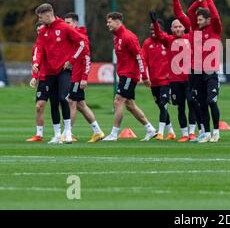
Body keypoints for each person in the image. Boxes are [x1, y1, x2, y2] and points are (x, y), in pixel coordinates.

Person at [33, 3, 86, 144]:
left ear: (48, 15)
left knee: (64, 98)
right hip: (49, 72)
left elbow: (82, 44)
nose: (40, 20)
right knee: (54, 103)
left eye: (41, 17)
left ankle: (67, 132)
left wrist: (72, 60)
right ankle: (57, 135)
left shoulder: (64, 27)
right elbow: (38, 48)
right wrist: (36, 63)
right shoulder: (43, 31)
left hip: (64, 70)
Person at [154, 0, 200, 142]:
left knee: (192, 103)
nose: (178, 28)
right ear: (171, 29)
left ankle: (193, 132)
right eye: (175, 26)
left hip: (189, 78)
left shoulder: (190, 37)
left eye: (180, 26)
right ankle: (184, 134)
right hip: (174, 80)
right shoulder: (168, 40)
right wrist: (155, 23)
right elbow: (159, 35)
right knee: (180, 107)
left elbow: (180, 14)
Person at [178, 0, 222, 143]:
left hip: (210, 71)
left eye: (201, 19)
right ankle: (207, 133)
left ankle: (216, 131)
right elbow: (190, 11)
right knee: (201, 103)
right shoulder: (196, 29)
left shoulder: (215, 29)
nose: (198, 21)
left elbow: (215, 16)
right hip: (196, 71)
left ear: (208, 20)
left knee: (211, 101)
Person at [102, 12, 157, 141]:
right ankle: (150, 129)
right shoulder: (117, 38)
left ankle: (114, 134)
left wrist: (144, 76)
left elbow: (140, 57)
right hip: (124, 75)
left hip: (130, 75)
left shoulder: (128, 37)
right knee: (130, 105)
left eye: (109, 22)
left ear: (117, 22)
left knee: (118, 100)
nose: (107, 24)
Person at [63, 13, 104, 142]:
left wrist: (84, 77)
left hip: (78, 76)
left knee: (71, 102)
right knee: (81, 105)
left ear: (75, 23)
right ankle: (97, 131)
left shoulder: (81, 38)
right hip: (75, 75)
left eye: (68, 23)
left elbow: (87, 58)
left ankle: (67, 133)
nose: (66, 25)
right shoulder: (73, 37)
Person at [142, 13, 176, 141]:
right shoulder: (147, 43)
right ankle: (171, 132)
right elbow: (143, 60)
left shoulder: (167, 41)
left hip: (166, 81)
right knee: (161, 106)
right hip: (154, 82)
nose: (152, 32)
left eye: (155, 29)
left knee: (163, 104)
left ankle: (160, 133)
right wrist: (144, 76)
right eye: (150, 29)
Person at [26, 22, 49, 142]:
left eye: (42, 30)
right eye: (38, 31)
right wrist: (35, 77)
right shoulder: (36, 47)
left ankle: (67, 132)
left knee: (65, 104)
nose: (40, 33)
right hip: (44, 80)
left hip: (57, 78)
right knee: (39, 106)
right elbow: (35, 63)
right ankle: (39, 134)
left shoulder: (54, 43)